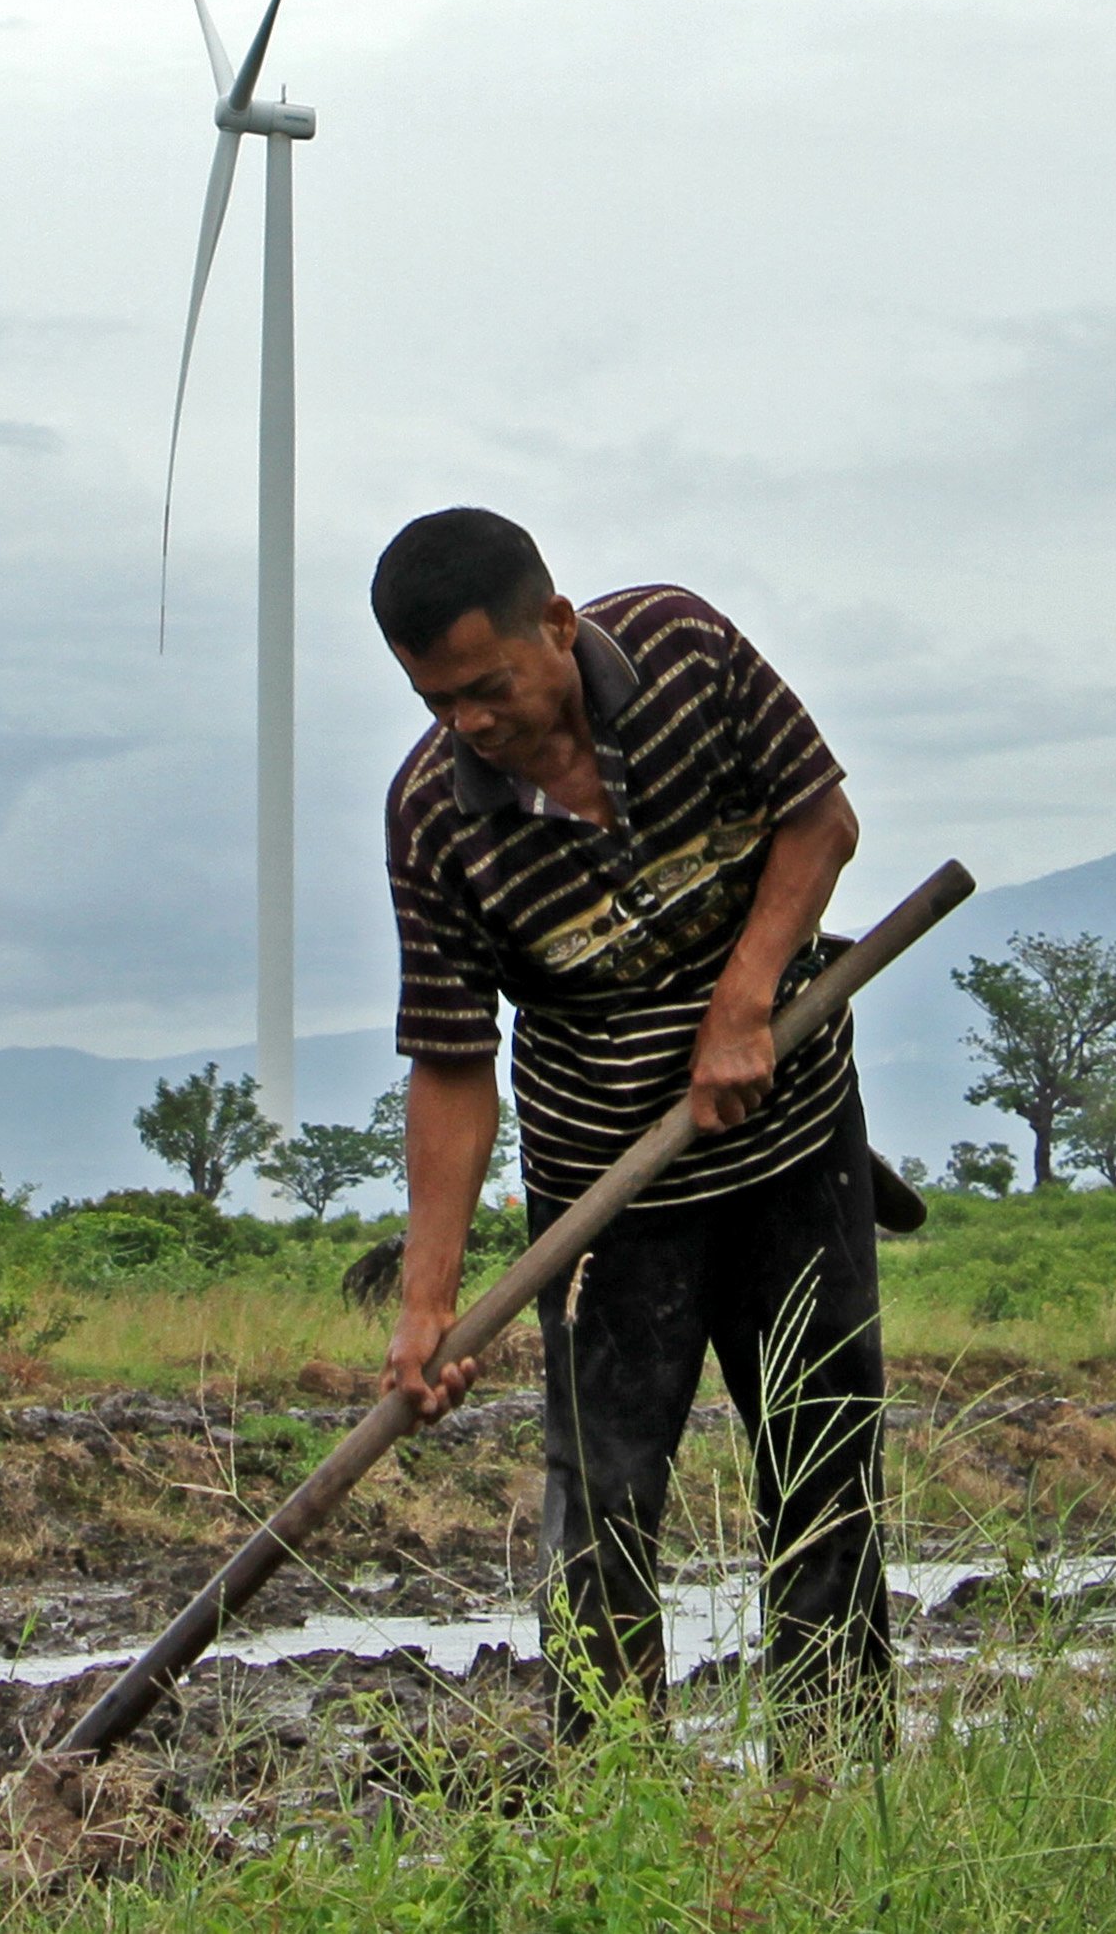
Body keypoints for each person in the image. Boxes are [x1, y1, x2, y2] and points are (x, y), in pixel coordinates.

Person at [370, 505, 890, 1749]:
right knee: (600, 1500)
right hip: (606, 1202)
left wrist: (744, 1000)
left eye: (486, 686)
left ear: (556, 624)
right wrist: (427, 1302)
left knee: (822, 1471)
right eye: (437, 701)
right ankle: (612, 1791)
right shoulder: (434, 817)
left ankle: (834, 1777)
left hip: (792, 1152)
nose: (468, 723)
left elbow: (819, 823)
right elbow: (451, 1063)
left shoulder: (684, 650)